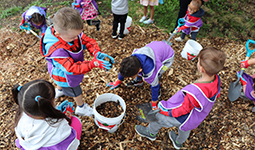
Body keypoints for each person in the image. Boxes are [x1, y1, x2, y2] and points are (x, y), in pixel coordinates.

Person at [134, 47, 226, 149]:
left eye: (198, 61)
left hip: (181, 116)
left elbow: (182, 109)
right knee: (186, 129)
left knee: (158, 118)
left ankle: (150, 133)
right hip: (195, 117)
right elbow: (216, 94)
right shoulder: (216, 79)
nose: (197, 62)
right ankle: (178, 142)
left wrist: (166, 112)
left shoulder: (195, 92)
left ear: (201, 69)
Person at [40, 7, 115, 117]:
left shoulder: (68, 32)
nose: (77, 38)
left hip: (59, 69)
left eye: (78, 34)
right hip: (65, 75)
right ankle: (81, 107)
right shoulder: (57, 51)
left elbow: (86, 40)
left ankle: (59, 90)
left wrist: (96, 53)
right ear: (58, 34)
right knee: (75, 90)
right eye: (73, 37)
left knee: (61, 83)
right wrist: (93, 63)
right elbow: (71, 68)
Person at [13, 79, 82, 149]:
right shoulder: (58, 124)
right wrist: (64, 116)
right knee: (76, 121)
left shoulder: (20, 117)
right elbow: (70, 141)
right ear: (49, 103)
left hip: (30, 146)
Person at [107, 41, 175, 110]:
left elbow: (154, 86)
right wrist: (118, 81)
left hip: (168, 57)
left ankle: (159, 86)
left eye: (132, 77)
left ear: (140, 70)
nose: (131, 78)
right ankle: (139, 81)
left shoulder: (149, 70)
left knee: (157, 74)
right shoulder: (132, 59)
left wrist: (154, 102)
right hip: (155, 47)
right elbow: (124, 70)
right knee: (136, 71)